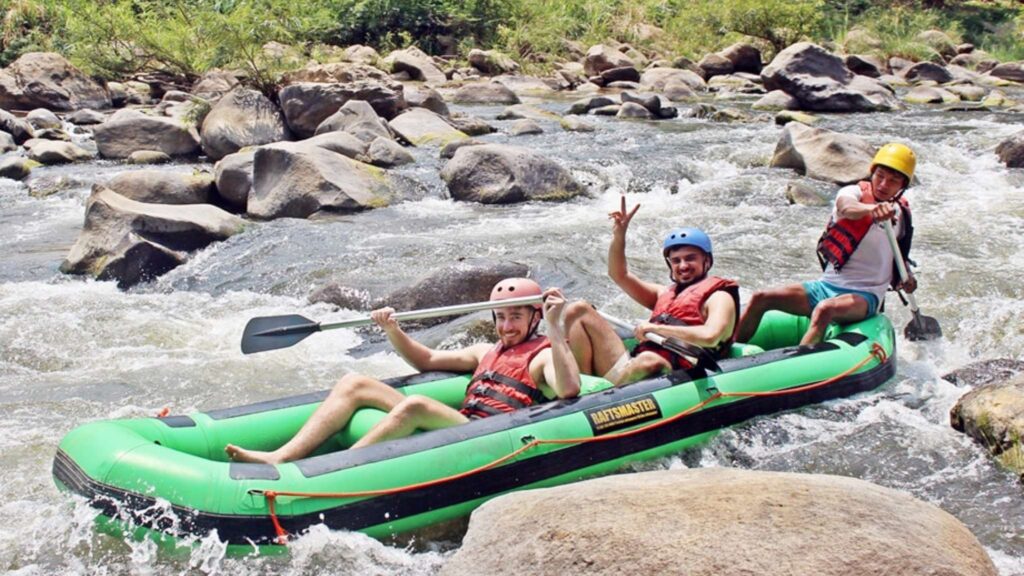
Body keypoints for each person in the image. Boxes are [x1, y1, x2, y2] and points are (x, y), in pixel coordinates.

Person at [226, 278, 581, 464]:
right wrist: (392, 329)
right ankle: (282, 456)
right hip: (461, 423)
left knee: (416, 405)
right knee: (354, 382)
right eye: (501, 317)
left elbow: (568, 389)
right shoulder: (484, 351)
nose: (506, 326)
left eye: (516, 317)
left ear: (535, 317)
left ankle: (338, 468)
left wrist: (555, 325)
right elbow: (426, 360)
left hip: (489, 434)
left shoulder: (543, 356)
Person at [735, 143, 918, 345]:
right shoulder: (852, 193)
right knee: (761, 297)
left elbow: (899, 256)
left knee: (824, 309)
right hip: (826, 286)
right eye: (880, 176)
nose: (883, 184)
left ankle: (798, 361)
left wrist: (907, 277)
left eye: (893, 181)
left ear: (902, 186)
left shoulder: (901, 216)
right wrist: (871, 210)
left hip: (866, 296)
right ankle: (726, 353)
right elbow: (846, 207)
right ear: (872, 173)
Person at [563, 197, 740, 386]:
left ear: (707, 260)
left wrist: (655, 328)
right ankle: (587, 388)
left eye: (690, 258)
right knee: (577, 309)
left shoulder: (719, 297)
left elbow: (711, 336)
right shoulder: (662, 293)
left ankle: (606, 394)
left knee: (649, 360)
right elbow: (619, 275)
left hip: (681, 368)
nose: (683, 266)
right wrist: (619, 236)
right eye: (676, 261)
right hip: (637, 364)